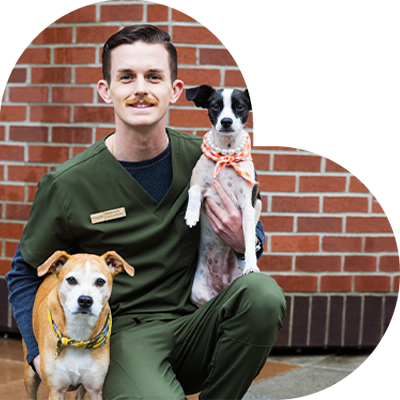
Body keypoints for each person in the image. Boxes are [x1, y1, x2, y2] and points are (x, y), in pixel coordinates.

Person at [6, 24, 286, 399]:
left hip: (197, 321)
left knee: (263, 294)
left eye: (153, 76)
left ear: (174, 91)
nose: (141, 88)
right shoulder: (68, 184)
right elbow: (24, 272)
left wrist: (245, 241)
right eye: (126, 77)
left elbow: (251, 229)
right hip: (124, 337)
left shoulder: (209, 159)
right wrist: (40, 354)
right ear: (106, 91)